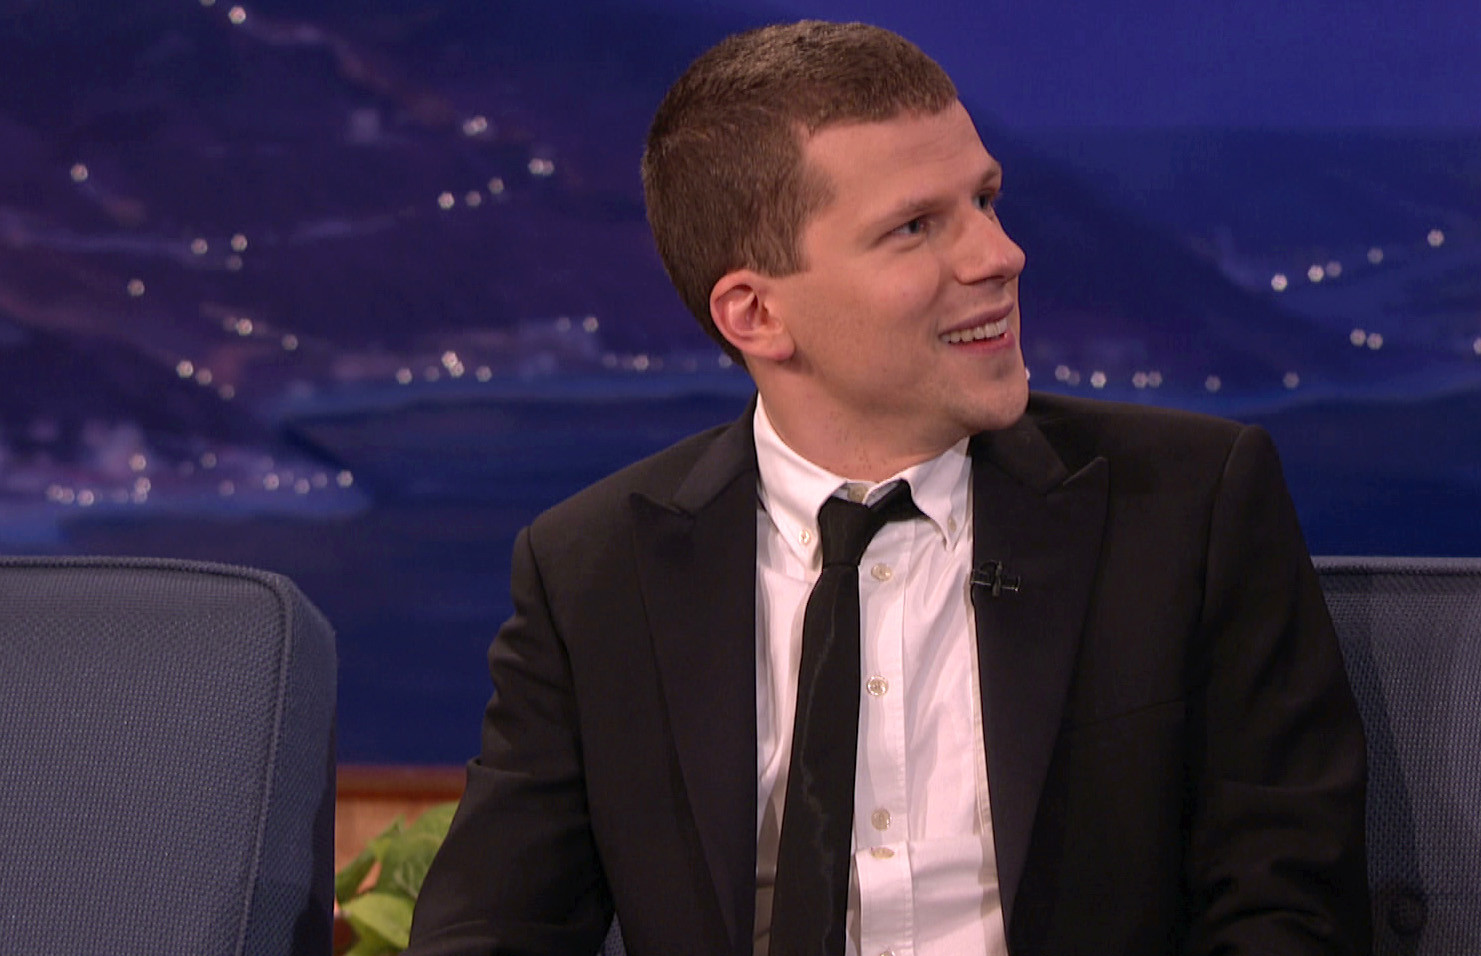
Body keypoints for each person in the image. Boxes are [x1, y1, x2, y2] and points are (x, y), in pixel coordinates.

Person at [407, 20, 1370, 956]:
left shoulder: (1189, 508)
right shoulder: (594, 574)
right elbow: (490, 925)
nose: (998, 256)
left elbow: (1287, 911)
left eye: (985, 200)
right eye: (914, 227)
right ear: (755, 314)